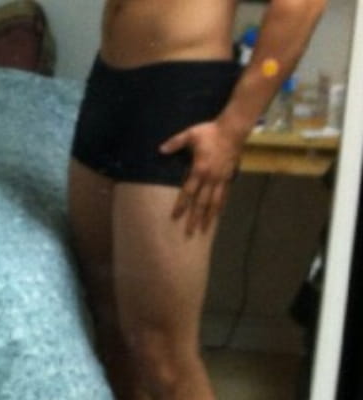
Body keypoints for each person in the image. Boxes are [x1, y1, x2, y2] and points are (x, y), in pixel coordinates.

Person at [67, 0, 327, 399]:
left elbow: (301, 6)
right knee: (108, 331)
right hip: (106, 84)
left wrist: (233, 128)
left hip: (180, 92)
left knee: (162, 355)